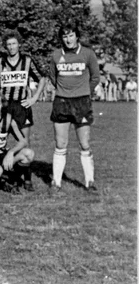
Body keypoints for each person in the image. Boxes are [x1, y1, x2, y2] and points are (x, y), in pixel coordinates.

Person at [48, 25, 100, 192]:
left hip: (82, 103)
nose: (68, 39)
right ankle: (56, 182)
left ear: (77, 37)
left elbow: (95, 77)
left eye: (71, 36)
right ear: (61, 38)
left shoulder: (88, 54)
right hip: (61, 102)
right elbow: (53, 77)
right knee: (60, 143)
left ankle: (89, 182)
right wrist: (65, 91)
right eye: (64, 36)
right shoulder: (56, 55)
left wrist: (84, 92)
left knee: (84, 143)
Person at [0, 31, 45, 147]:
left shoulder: (27, 61)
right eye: (9, 44)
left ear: (19, 44)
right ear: (5, 46)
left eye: (14, 43)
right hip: (4, 106)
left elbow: (42, 79)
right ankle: (2, 164)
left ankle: (21, 164)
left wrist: (34, 98)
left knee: (24, 143)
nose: (11, 47)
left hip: (22, 106)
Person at [0, 91, 34, 193]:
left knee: (28, 154)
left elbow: (23, 141)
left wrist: (11, 152)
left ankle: (9, 179)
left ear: (2, 104)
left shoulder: (8, 119)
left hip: (1, 155)